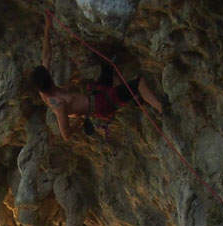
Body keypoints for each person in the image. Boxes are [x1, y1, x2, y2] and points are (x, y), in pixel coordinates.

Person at [33, 12, 162, 141]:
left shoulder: (43, 89)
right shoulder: (59, 104)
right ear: (49, 80)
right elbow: (66, 135)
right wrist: (79, 121)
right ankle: (162, 109)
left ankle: (136, 99)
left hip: (97, 94)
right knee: (139, 84)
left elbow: (46, 56)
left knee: (108, 64)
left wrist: (47, 27)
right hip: (102, 104)